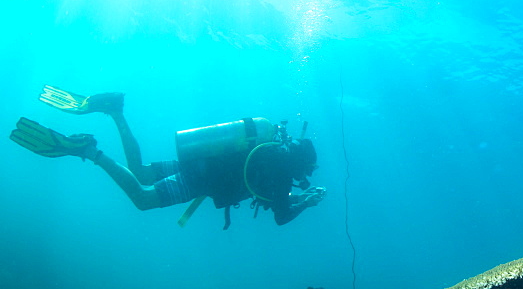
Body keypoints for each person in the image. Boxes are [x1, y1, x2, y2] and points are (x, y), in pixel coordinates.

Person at [10, 86, 326, 228]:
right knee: (144, 199)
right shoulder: (283, 173)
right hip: (202, 179)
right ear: (302, 164)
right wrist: (308, 201)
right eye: (306, 172)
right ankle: (90, 151)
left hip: (202, 161)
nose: (303, 178)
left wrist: (298, 197)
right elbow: (281, 216)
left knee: (140, 170)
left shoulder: (272, 151)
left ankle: (115, 112)